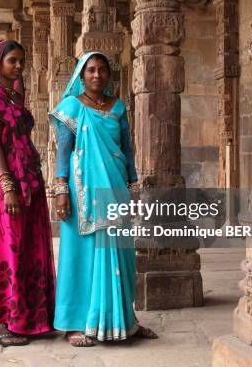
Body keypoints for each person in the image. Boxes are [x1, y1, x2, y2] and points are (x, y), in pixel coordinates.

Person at [49, 52, 158, 347]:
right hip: (83, 190)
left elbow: (128, 149)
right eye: (91, 70)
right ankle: (75, 324)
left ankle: (123, 320)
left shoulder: (119, 108)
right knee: (80, 254)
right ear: (81, 76)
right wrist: (61, 190)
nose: (97, 75)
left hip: (115, 187)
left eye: (102, 70)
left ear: (110, 76)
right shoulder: (71, 107)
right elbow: (63, 151)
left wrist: (134, 186)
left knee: (120, 254)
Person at [0, 40, 55, 346]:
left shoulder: (15, 97)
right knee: (5, 249)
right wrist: (8, 186)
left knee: (27, 246)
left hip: (28, 180)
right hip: (3, 184)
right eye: (12, 61)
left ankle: (29, 317)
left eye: (21, 60)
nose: (18, 66)